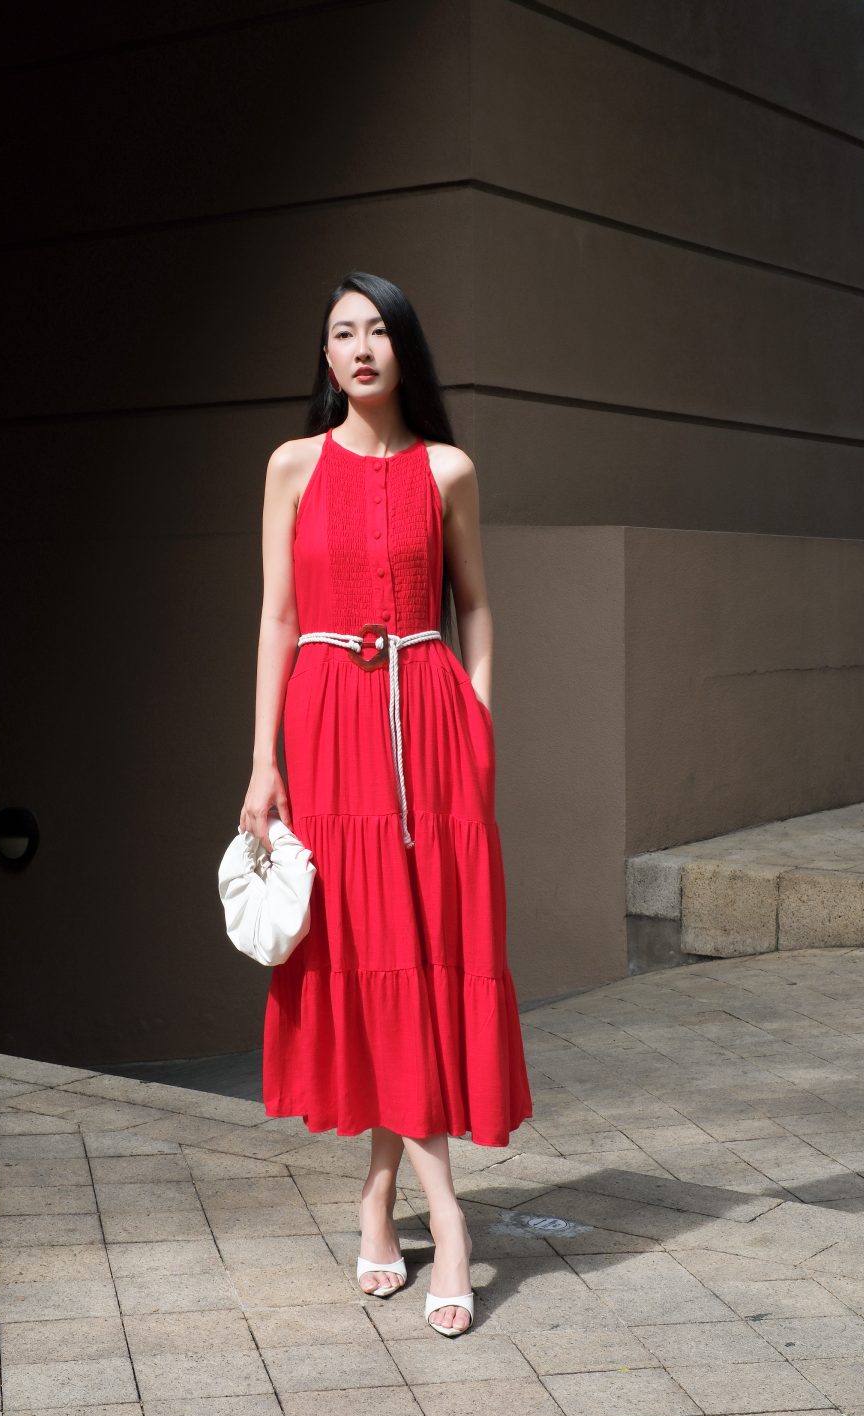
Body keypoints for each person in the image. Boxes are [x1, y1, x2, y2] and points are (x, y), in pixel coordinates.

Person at [239, 271, 533, 1337]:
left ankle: (385, 1202)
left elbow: (480, 610)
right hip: (323, 736)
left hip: (430, 741)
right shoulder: (290, 467)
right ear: (324, 359)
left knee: (416, 962)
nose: (359, 348)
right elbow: (276, 618)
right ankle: (434, 1212)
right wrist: (262, 762)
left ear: (404, 348)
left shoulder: (446, 468)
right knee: (365, 962)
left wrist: (480, 728)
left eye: (376, 331)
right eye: (340, 334)